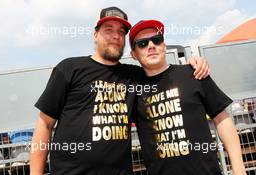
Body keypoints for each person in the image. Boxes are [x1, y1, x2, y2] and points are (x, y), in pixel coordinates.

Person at [30, 7, 209, 175]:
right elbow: (44, 124)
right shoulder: (70, 68)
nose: (116, 36)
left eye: (121, 32)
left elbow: (163, 72)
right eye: (109, 29)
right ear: (95, 35)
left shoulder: (135, 76)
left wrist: (193, 64)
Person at [129, 20, 246, 175]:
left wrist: (239, 168)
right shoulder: (132, 91)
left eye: (157, 40)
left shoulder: (194, 73)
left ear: (164, 45)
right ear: (134, 55)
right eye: (142, 43)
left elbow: (222, 119)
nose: (151, 46)